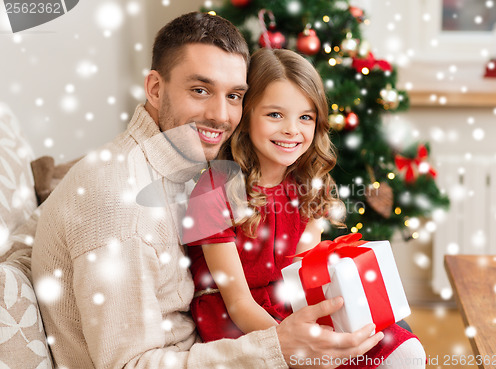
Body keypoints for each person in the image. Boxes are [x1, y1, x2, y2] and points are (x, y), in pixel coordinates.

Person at [31, 11, 384, 369]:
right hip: (204, 353)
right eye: (200, 90)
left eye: (234, 96)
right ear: (155, 88)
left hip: (216, 343)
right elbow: (130, 365)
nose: (221, 115)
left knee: (383, 335)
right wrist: (278, 347)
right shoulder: (122, 205)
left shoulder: (191, 165)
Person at [183, 48, 427, 369]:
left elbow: (304, 280)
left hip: (289, 306)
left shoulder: (306, 184)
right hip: (239, 323)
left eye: (305, 117)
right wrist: (299, 346)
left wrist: (342, 320)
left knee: (402, 349)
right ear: (246, 114)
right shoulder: (214, 191)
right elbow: (239, 303)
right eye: (275, 115)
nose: (292, 130)